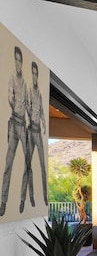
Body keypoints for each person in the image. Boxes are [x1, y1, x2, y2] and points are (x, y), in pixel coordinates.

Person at [1, 46, 28, 216]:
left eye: (20, 60)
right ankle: (3, 201)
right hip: (14, 123)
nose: (17, 63)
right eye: (16, 59)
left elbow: (26, 104)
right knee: (8, 164)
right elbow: (11, 99)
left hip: (23, 125)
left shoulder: (25, 84)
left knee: (27, 165)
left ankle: (23, 200)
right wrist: (16, 106)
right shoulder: (11, 79)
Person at [20, 61, 48, 212]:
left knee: (43, 167)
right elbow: (25, 106)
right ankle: (25, 198)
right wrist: (31, 114)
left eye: (37, 74)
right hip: (31, 132)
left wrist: (44, 125)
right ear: (32, 74)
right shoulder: (29, 91)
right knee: (27, 167)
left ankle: (45, 197)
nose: (35, 76)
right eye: (34, 73)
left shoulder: (40, 93)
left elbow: (43, 111)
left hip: (39, 133)